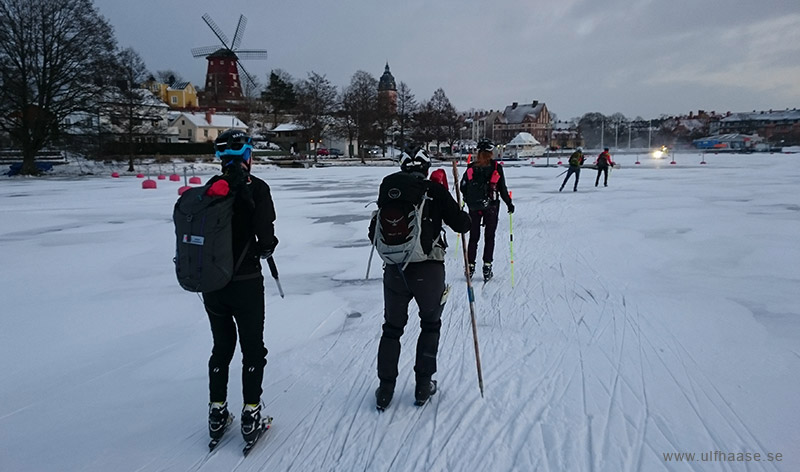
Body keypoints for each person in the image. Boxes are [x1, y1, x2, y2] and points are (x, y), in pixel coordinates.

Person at [369, 146, 471, 410]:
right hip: (428, 270)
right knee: (430, 324)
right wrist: (462, 212)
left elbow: (374, 232)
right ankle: (423, 385)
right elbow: (461, 224)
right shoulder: (434, 190)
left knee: (392, 329)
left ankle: (385, 388)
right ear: (426, 168)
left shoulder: (389, 190)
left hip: (395, 270)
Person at [204, 130, 278, 444]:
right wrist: (267, 246)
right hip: (246, 282)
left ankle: (217, 410)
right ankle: (251, 411)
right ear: (248, 156)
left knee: (221, 348)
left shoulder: (209, 189)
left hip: (212, 285)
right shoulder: (258, 188)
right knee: (252, 348)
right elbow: (266, 237)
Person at [459, 138, 514, 281]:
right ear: (490, 153)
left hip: (474, 207)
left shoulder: (471, 167)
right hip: (492, 207)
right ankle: (487, 266)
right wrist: (509, 203)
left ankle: (470, 266)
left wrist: (468, 197)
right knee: (489, 237)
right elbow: (502, 188)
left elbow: (463, 186)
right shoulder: (496, 167)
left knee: (473, 237)